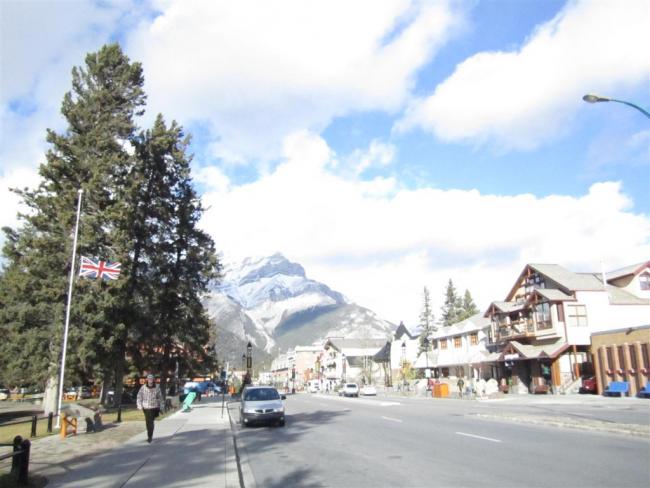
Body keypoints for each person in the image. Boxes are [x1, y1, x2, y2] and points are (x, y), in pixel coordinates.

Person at [137, 374, 163, 444]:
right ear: (147, 380)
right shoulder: (143, 388)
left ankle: (150, 436)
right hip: (146, 407)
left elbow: (160, 398)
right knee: (148, 422)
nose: (150, 380)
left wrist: (161, 406)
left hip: (154, 407)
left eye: (151, 379)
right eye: (149, 379)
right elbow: (139, 397)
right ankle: (150, 436)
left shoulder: (157, 387)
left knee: (151, 422)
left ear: (153, 379)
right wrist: (139, 405)